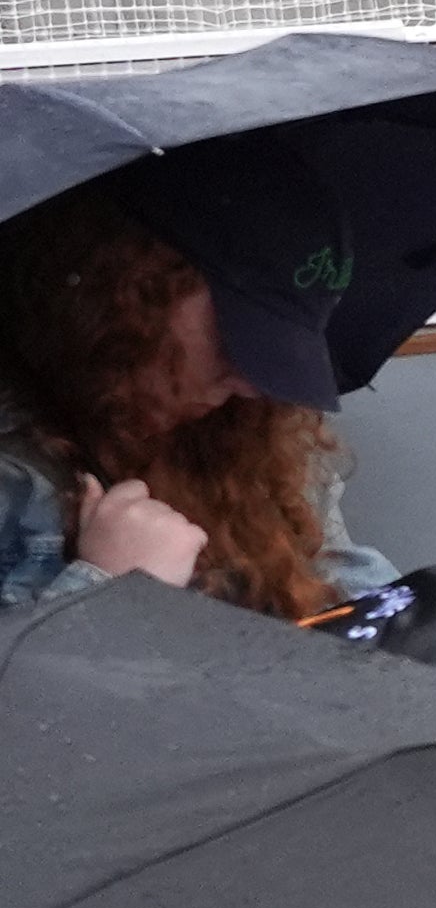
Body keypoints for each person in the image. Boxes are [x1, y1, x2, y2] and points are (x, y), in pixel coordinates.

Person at [0, 171, 394, 616]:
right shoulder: (15, 480)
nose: (251, 384)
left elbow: (340, 581)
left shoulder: (248, 437)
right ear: (124, 289)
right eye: (235, 339)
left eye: (277, 354)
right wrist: (108, 593)